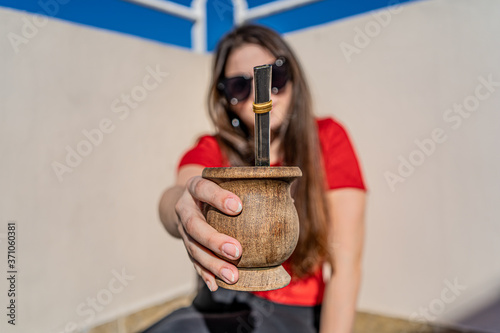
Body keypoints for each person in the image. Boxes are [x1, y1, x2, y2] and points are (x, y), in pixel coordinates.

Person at [147, 24, 366, 333]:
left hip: (294, 312)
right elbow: (179, 192)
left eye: (274, 77)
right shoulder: (214, 149)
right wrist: (183, 207)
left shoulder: (327, 140)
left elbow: (346, 267)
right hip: (221, 300)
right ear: (225, 98)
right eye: (239, 85)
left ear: (293, 76)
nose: (260, 95)